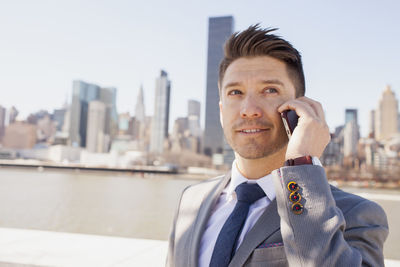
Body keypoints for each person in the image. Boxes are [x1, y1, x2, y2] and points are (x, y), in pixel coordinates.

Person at [166, 25, 389, 267]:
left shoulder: (357, 214)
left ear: (300, 108)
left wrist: (302, 164)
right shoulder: (190, 199)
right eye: (235, 92)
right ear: (221, 111)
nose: (249, 109)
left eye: (269, 90)